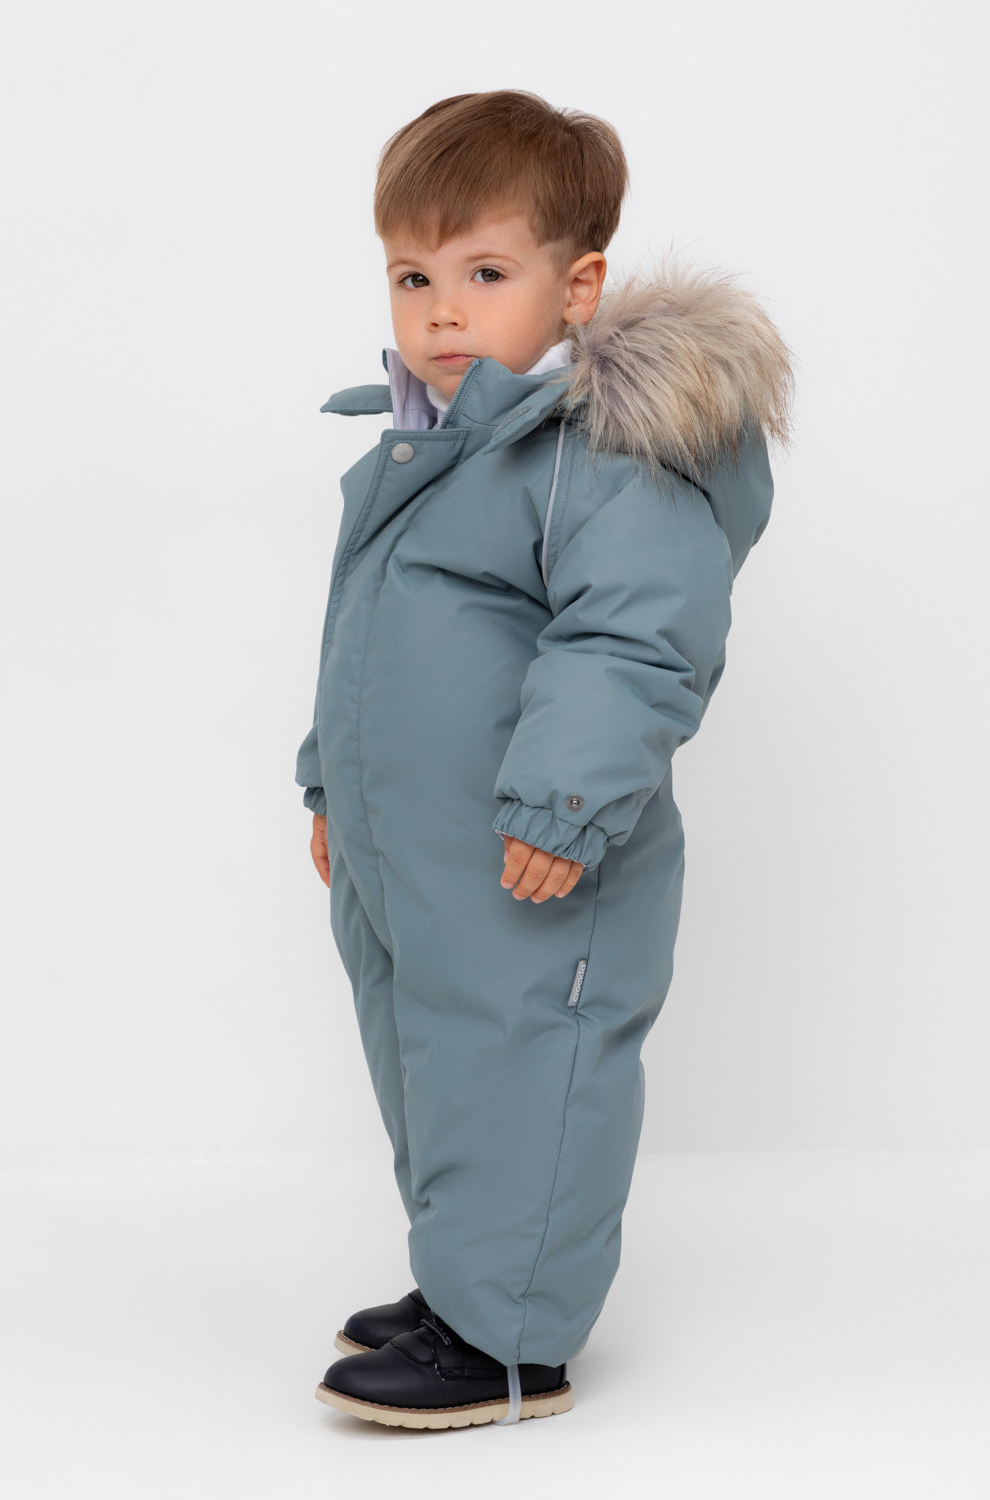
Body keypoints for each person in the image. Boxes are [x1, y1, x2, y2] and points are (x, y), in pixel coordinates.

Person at [295, 89, 796, 1430]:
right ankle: (465, 1288)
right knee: (434, 1060)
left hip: (539, 848)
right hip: (419, 853)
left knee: (529, 1064)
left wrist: (568, 804)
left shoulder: (600, 458)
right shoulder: (429, 452)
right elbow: (367, 638)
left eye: (484, 274)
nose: (441, 311)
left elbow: (633, 641)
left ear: (577, 288)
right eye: (414, 276)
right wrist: (329, 780)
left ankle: (512, 1342)